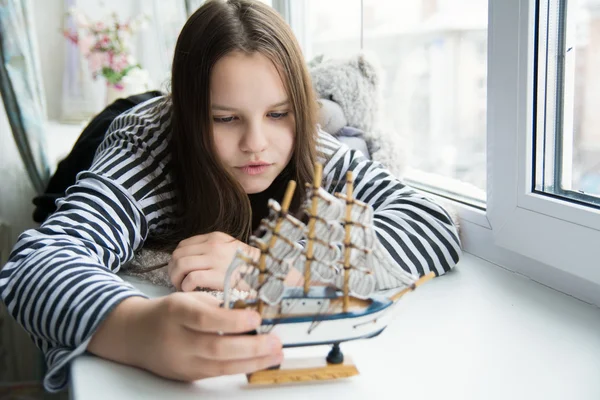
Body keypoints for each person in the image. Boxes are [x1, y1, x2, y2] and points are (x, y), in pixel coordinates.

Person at [0, 0, 461, 393]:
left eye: (278, 112)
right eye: (225, 119)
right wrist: (138, 328)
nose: (257, 143)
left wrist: (281, 269)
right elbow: (36, 262)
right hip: (111, 134)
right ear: (189, 116)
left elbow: (429, 220)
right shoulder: (147, 149)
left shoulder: (307, 142)